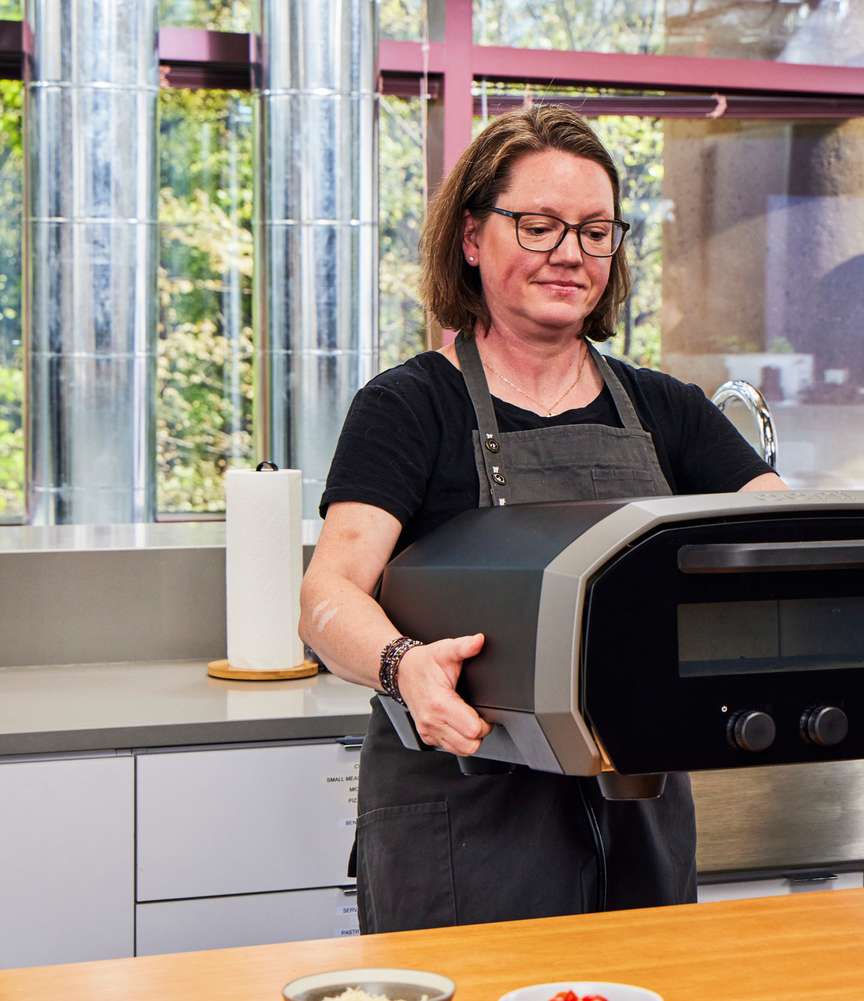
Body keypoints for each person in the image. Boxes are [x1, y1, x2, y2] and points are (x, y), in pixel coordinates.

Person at [299, 104, 787, 934]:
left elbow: (782, 546)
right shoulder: (411, 406)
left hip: (639, 806)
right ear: (472, 238)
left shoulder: (668, 410)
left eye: (596, 231)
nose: (571, 252)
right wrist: (403, 666)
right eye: (539, 225)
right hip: (463, 813)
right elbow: (328, 592)